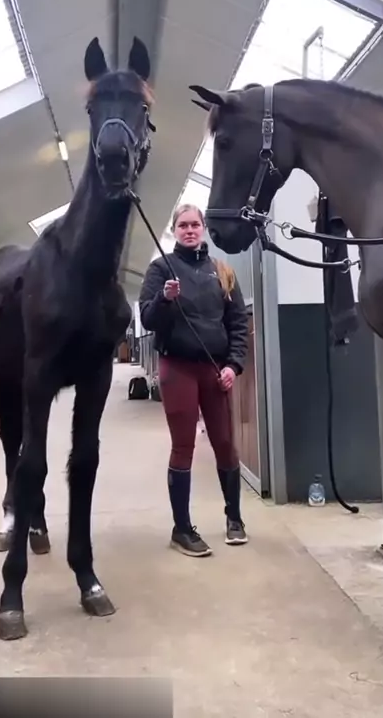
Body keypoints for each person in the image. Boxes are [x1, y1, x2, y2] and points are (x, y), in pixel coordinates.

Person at [139, 203, 249, 557]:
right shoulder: (160, 269)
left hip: (215, 369)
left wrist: (233, 365)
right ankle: (182, 528)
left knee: (225, 443)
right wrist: (164, 299)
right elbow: (147, 318)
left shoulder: (223, 271)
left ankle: (234, 518)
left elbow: (237, 324)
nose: (189, 230)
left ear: (203, 229)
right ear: (174, 230)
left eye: (194, 225)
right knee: (183, 444)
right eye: (183, 225)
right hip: (178, 367)